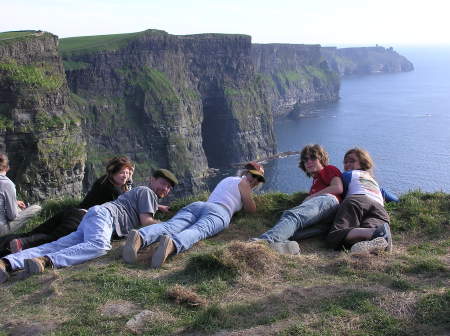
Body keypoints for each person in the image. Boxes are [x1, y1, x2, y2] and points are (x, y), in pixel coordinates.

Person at [0, 168, 177, 283]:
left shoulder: (141, 193)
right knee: (99, 246)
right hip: (105, 218)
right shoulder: (147, 192)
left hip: (95, 215)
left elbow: (141, 209)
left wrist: (159, 208)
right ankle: (46, 261)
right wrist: (167, 224)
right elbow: (147, 222)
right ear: (151, 180)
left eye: (169, 188)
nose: (165, 189)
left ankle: (6, 263)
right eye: (163, 183)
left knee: (56, 244)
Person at [122, 162, 265, 268]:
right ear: (246, 173)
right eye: (253, 176)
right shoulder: (243, 183)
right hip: (220, 212)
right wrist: (249, 191)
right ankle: (171, 244)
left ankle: (140, 237)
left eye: (258, 179)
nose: (254, 180)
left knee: (171, 225)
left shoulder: (227, 180)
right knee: (198, 231)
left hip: (199, 205)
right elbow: (251, 209)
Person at [0, 156, 135, 257]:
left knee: (32, 233)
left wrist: (129, 180)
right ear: (114, 172)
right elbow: (125, 204)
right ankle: (22, 244)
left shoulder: (103, 180)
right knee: (51, 239)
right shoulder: (113, 190)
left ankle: (6, 244)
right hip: (80, 219)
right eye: (122, 173)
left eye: (128, 173)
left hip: (71, 212)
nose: (125, 176)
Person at [252, 144, 343, 255]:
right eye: (305, 160)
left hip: (329, 201)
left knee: (292, 216)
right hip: (327, 218)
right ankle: (286, 248)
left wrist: (311, 196)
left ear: (322, 159)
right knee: (291, 231)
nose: (308, 162)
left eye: (313, 158)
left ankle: (262, 244)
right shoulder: (316, 181)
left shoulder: (329, 169)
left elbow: (338, 188)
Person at [326, 148, 398, 253]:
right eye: (345, 162)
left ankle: (373, 233)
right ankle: (379, 234)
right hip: (379, 208)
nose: (347, 164)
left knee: (335, 236)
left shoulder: (348, 175)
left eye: (351, 161)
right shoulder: (374, 182)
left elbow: (338, 191)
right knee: (367, 235)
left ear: (362, 163)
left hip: (356, 201)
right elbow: (394, 199)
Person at [0, 153, 41, 236]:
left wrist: (14, 202)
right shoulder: (7, 184)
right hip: (1, 229)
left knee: (17, 207)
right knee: (37, 208)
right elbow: (12, 216)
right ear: (7, 167)